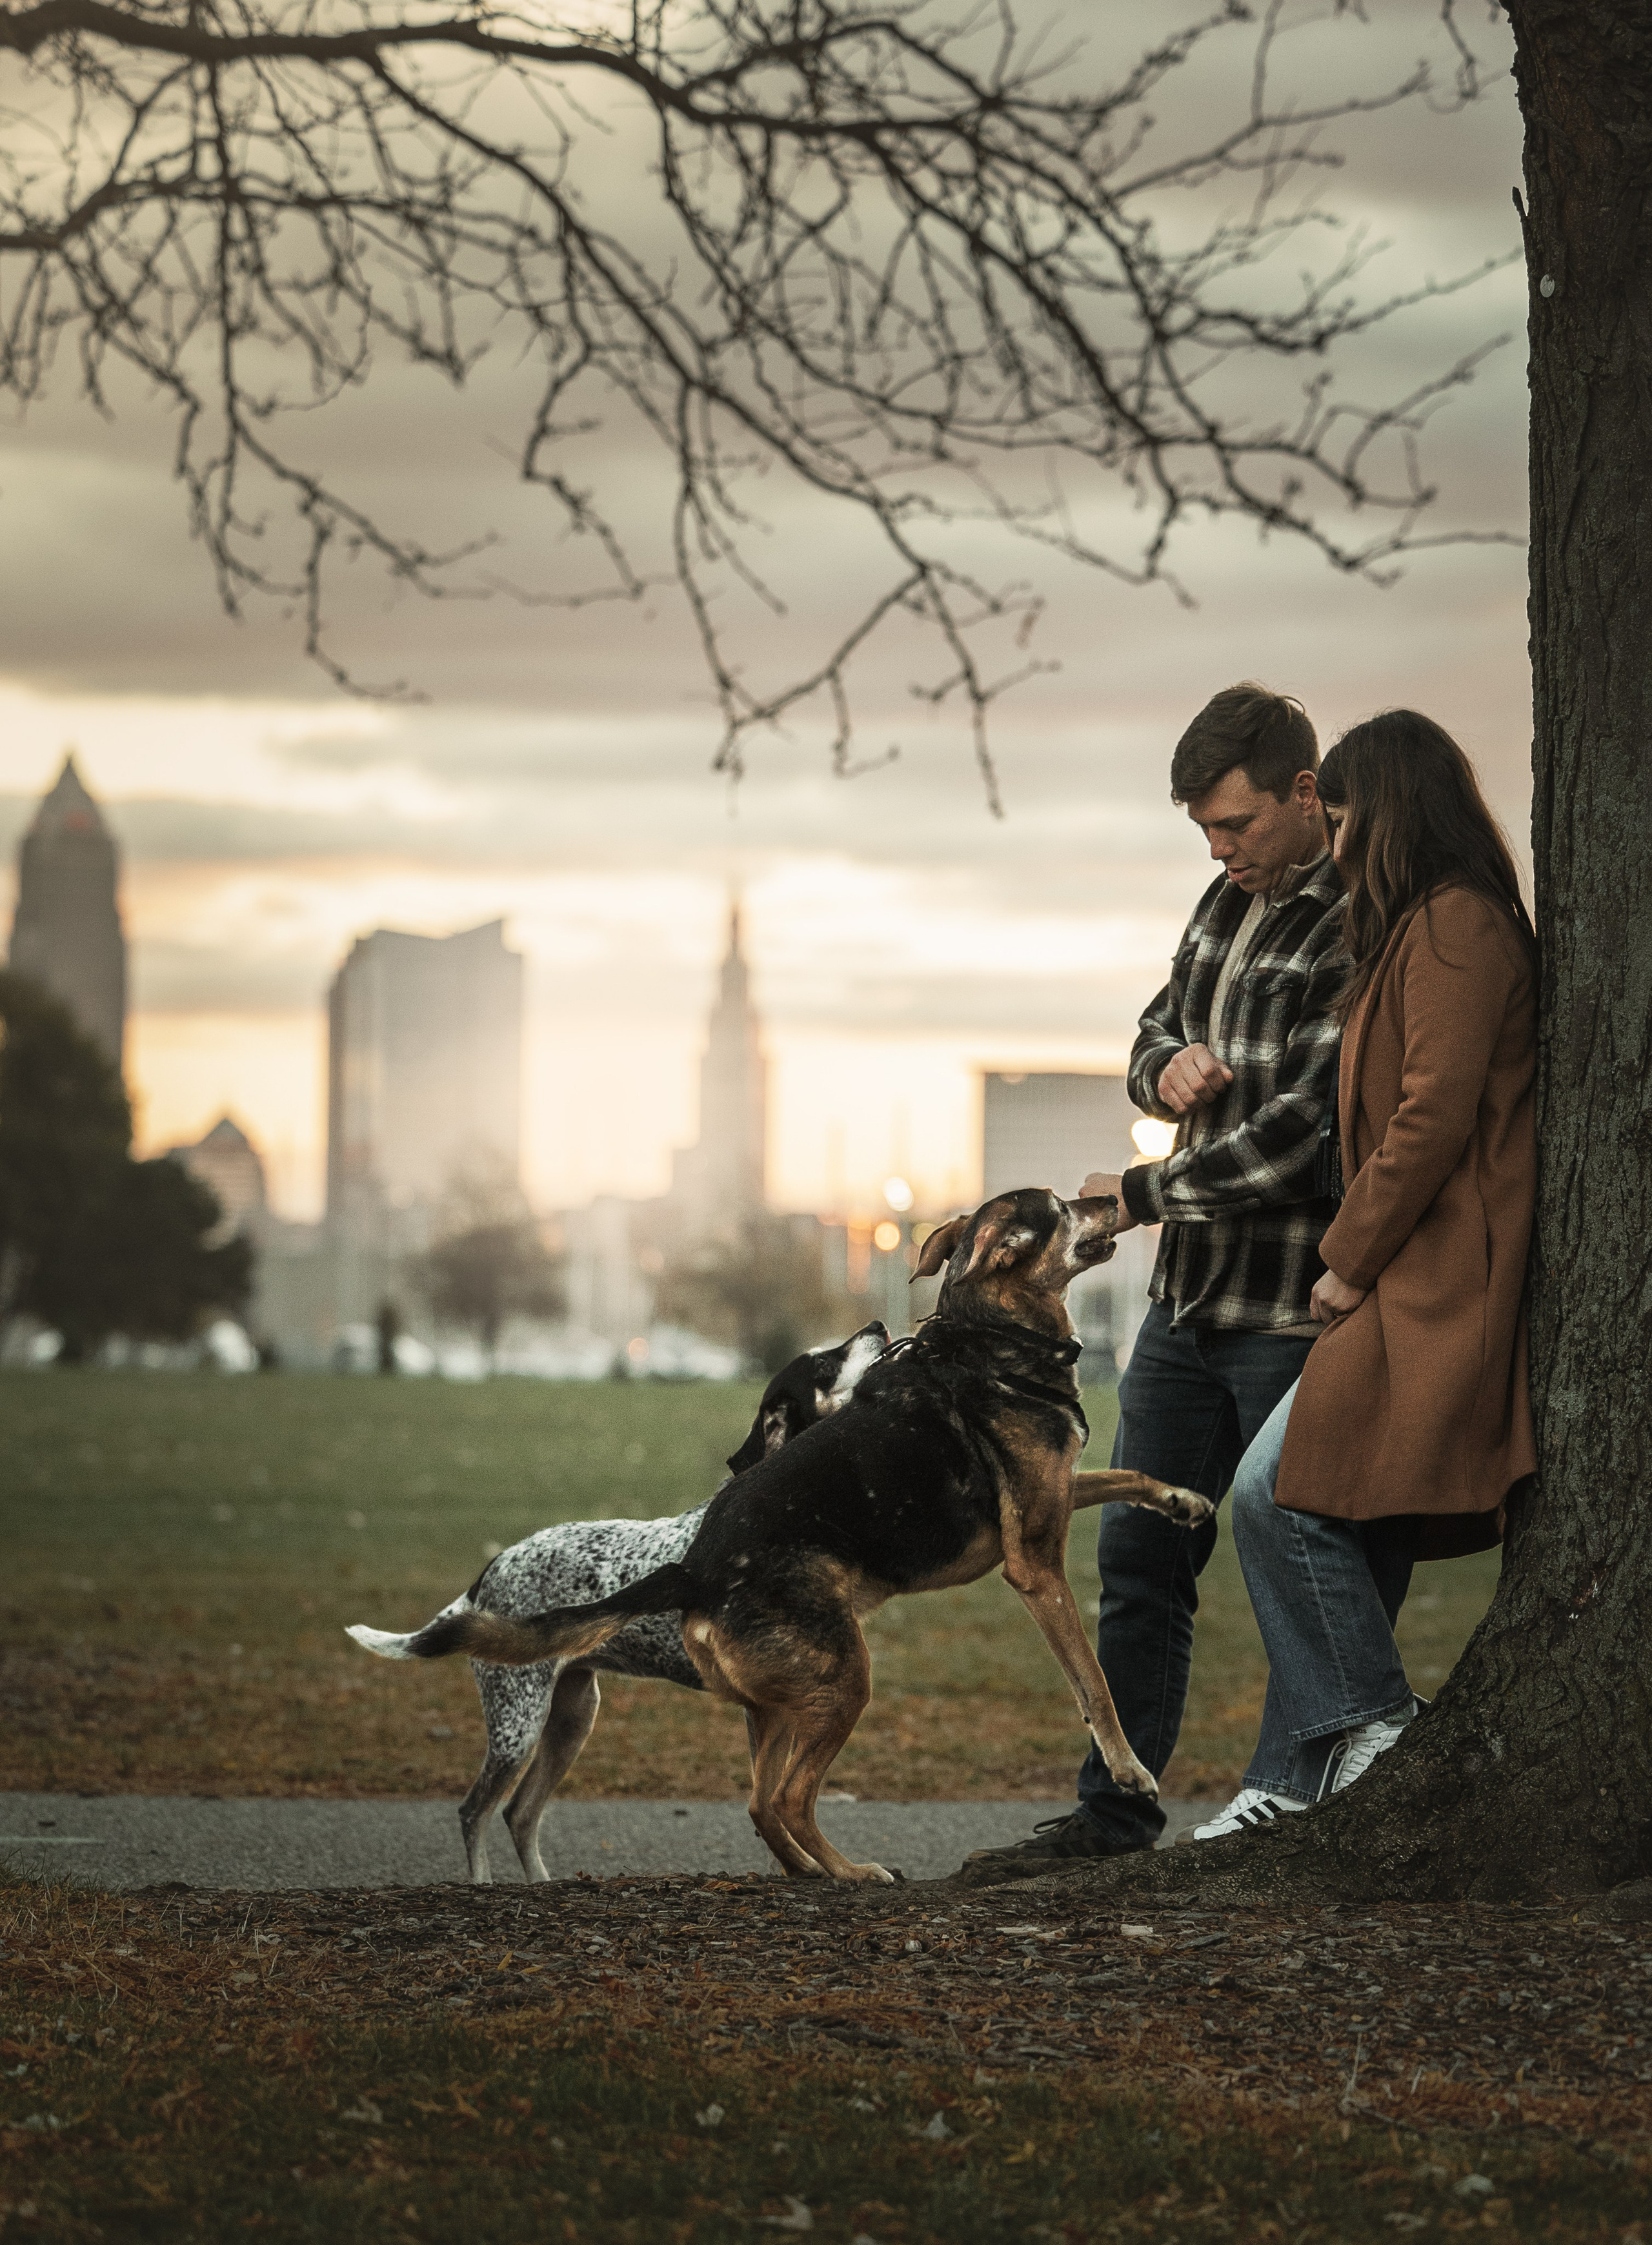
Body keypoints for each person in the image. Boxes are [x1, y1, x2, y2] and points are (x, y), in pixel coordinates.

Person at [969, 680, 1347, 1874]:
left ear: (1304, 793)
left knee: (1303, 1561)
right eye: (1204, 834)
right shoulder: (1221, 902)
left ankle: (1299, 1816)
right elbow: (1147, 1033)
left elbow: (1307, 1136)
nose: (1221, 851)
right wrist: (1164, 1068)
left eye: (1234, 826)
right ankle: (1116, 1817)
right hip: (1186, 1307)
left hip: (1289, 1309)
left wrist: (1139, 1195)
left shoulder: (1355, 922)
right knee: (1139, 1560)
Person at [1191, 709, 1536, 1836]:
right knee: (1296, 1497)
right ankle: (1292, 1788)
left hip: (1436, 1278)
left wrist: (1345, 1264)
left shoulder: (1457, 928)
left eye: (1341, 816)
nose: (1332, 839)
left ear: (1389, 810)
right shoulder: (1418, 927)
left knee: (1271, 1495)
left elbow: (1430, 1119)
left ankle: (1380, 1724)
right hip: (1412, 1274)